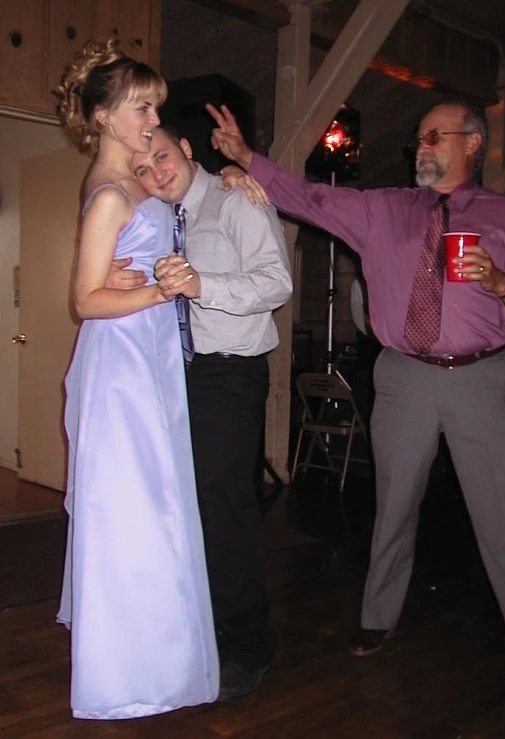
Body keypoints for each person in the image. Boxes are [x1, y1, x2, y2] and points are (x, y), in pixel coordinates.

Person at [206, 100, 505, 698]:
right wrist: (245, 158)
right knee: (393, 506)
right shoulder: (383, 209)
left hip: (480, 379)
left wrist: (504, 285)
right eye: (418, 137)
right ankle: (378, 613)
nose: (420, 145)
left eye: (434, 136)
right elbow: (308, 196)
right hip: (404, 377)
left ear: (471, 144)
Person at [55, 40, 219, 719]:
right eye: (142, 105)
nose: (154, 116)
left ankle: (160, 654)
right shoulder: (108, 196)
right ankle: (129, 668)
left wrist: (231, 176)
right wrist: (156, 292)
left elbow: (179, 195)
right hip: (122, 366)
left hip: (144, 359)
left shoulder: (132, 182)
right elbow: (84, 300)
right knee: (132, 511)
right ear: (103, 116)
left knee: (155, 506)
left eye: (155, 103)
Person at [107, 126, 292, 700]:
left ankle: (249, 646)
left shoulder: (238, 199)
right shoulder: (161, 216)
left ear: (186, 148)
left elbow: (277, 283)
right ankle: (204, 632)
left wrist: (201, 285)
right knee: (183, 507)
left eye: (161, 156)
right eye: (143, 168)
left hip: (229, 374)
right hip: (173, 374)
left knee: (224, 506)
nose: (156, 172)